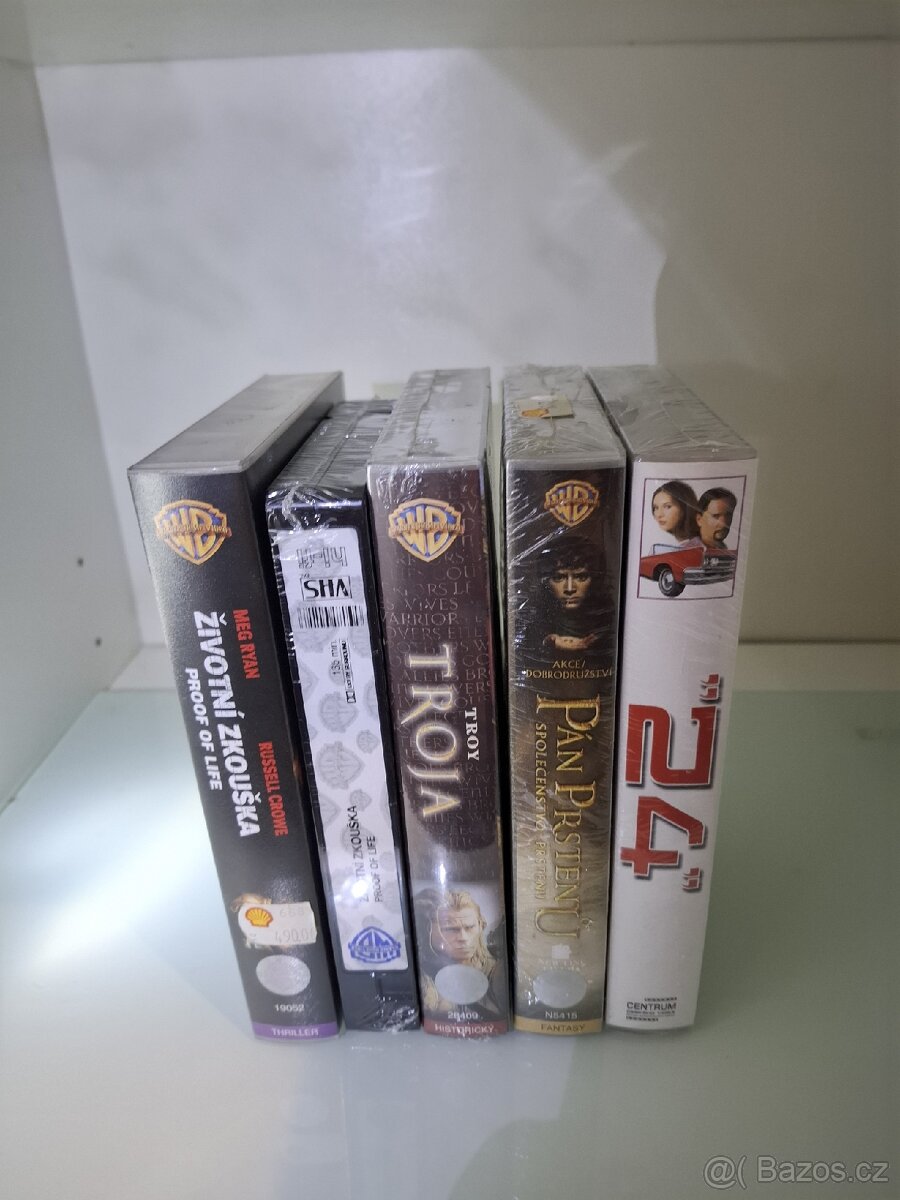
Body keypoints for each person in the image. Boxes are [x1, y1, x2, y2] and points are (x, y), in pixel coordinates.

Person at [416, 889, 503, 1016]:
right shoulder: (424, 977)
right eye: (451, 929)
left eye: (470, 927)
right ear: (430, 933)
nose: (463, 938)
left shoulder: (497, 971)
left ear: (480, 925)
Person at [538, 538, 599, 652]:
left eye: (581, 577)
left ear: (595, 580)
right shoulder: (536, 622)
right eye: (559, 578)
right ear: (545, 582)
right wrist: (548, 642)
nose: (570, 589)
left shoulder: (607, 623)